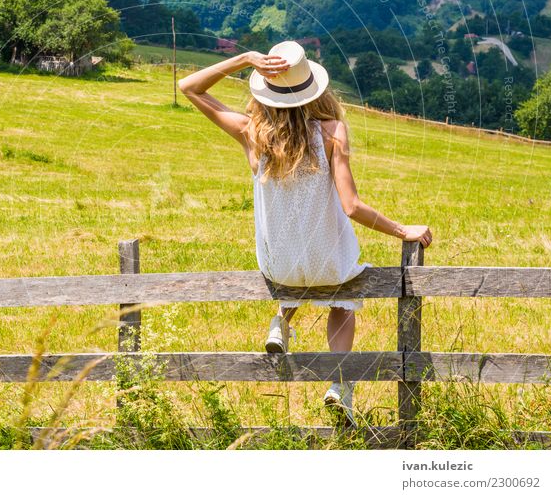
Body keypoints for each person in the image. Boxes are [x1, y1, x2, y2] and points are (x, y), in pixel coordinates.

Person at [178, 41, 432, 425]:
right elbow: (351, 207)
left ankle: (282, 322)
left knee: (297, 260)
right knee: (341, 299)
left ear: (265, 90)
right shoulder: (332, 132)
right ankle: (340, 386)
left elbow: (189, 87)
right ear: (313, 89)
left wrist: (246, 59)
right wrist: (402, 230)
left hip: (277, 265)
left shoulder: (252, 134)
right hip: (329, 264)